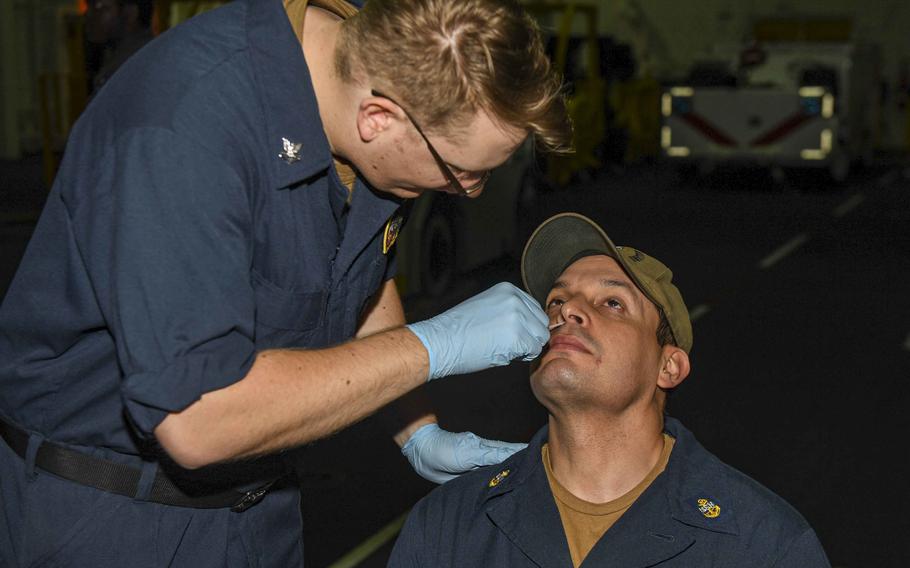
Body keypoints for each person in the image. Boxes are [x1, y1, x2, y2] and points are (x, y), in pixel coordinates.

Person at [0, 0, 572, 566]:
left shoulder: (375, 79)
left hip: (263, 505)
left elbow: (360, 276)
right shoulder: (181, 129)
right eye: (462, 172)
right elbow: (199, 419)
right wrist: (433, 347)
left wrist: (416, 429)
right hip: (113, 515)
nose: (469, 191)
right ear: (378, 119)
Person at [389, 212, 831, 567]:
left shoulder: (762, 545)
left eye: (612, 303)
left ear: (669, 367)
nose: (567, 311)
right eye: (556, 301)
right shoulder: (447, 524)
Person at [85, 0, 155, 95]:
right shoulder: (118, 56)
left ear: (130, 13)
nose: (89, 15)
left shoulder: (138, 64)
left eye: (99, 7)